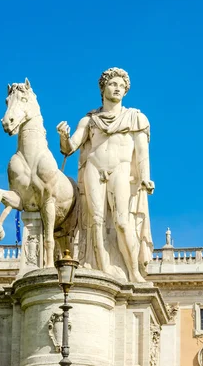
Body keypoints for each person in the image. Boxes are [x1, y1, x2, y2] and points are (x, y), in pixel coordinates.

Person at [57, 67, 154, 283]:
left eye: (121, 85)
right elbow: (70, 148)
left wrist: (145, 177)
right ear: (103, 88)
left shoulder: (135, 117)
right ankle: (101, 268)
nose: (117, 88)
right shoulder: (90, 120)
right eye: (113, 84)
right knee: (94, 222)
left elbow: (141, 153)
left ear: (126, 91)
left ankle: (133, 271)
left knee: (122, 221)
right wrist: (63, 136)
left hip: (121, 169)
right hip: (93, 167)